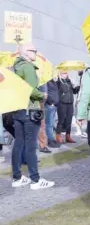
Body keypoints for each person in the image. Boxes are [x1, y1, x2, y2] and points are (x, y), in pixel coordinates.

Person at [10, 43, 56, 190]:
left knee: (18, 144)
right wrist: (42, 95)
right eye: (34, 50)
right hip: (30, 109)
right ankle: (35, 180)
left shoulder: (15, 67)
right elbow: (30, 89)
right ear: (26, 52)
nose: (36, 52)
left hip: (18, 110)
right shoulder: (28, 67)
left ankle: (17, 177)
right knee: (31, 146)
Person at [56, 70, 80, 144]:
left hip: (70, 103)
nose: (65, 74)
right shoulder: (58, 82)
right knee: (61, 120)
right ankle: (58, 136)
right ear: (60, 74)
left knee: (69, 121)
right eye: (63, 73)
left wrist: (78, 87)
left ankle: (68, 136)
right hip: (62, 103)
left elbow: (74, 91)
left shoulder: (69, 81)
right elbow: (56, 92)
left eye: (66, 73)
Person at [45, 77, 61, 148]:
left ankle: (52, 139)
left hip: (54, 106)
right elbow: (45, 93)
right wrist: (50, 102)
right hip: (50, 106)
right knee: (49, 124)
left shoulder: (53, 82)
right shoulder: (46, 82)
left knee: (52, 124)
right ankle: (50, 140)